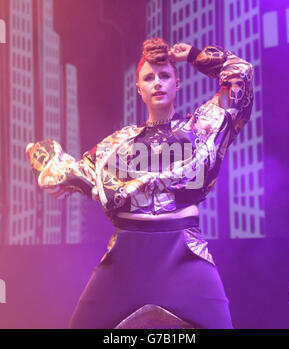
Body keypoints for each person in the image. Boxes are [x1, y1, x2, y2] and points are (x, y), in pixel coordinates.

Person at [25, 38, 254, 329]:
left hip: (184, 254)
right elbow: (71, 174)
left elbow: (241, 75)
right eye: (149, 78)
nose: (157, 83)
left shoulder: (201, 129)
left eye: (165, 76)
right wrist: (42, 157)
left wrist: (195, 56)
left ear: (177, 83)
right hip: (125, 258)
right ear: (139, 90)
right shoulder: (116, 145)